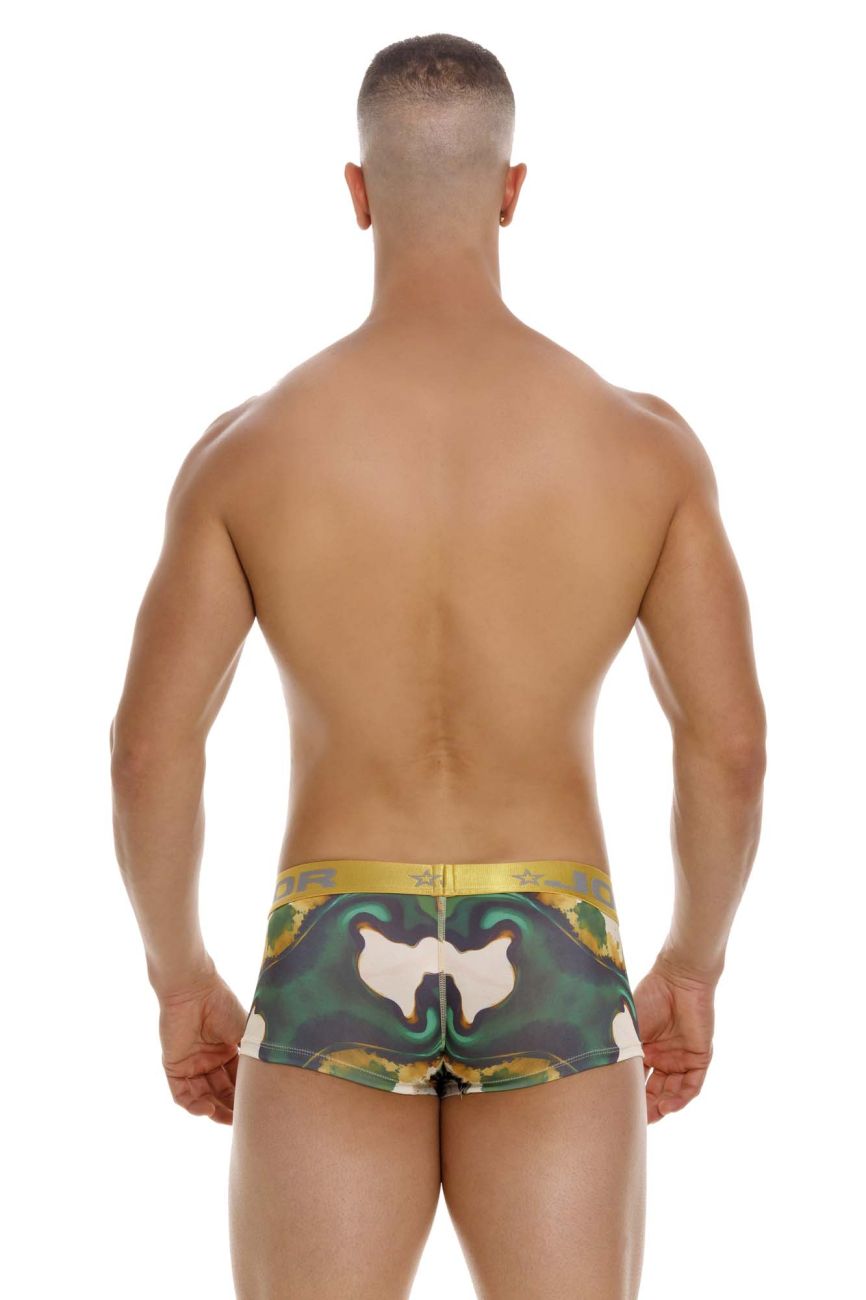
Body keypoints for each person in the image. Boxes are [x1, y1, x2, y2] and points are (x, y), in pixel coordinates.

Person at [110, 32, 766, 1300]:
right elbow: (727, 744)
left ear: (356, 193)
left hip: (334, 939)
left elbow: (150, 748)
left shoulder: (249, 452)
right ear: (511, 190)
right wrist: (691, 962)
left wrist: (178, 974)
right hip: (550, 936)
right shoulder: (641, 449)